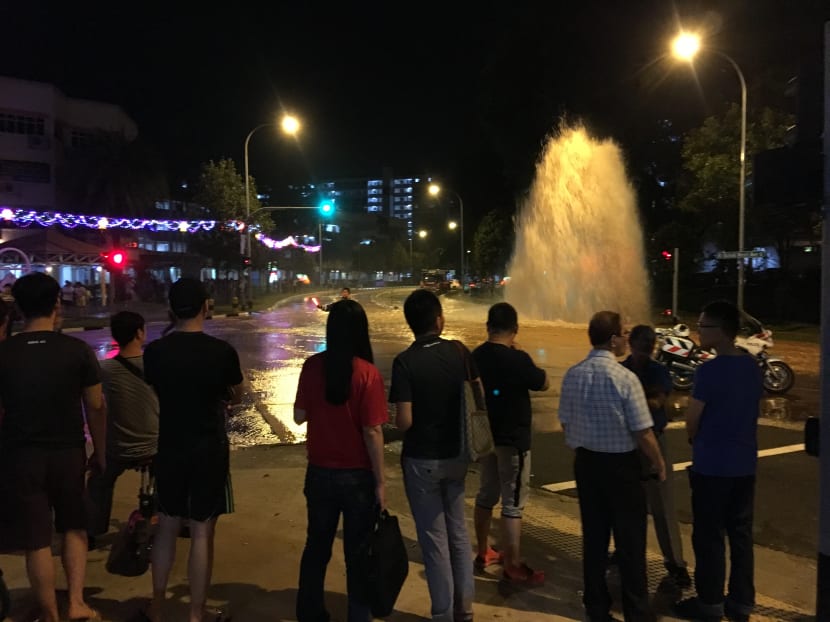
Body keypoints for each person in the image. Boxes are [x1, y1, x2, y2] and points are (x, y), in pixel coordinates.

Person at [0, 272, 106, 622]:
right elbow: (96, 406)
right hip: (68, 452)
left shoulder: (4, 353)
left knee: (36, 538)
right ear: (57, 304)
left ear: (18, 309)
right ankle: (75, 603)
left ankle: (49, 614)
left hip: (20, 455)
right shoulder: (76, 350)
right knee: (74, 526)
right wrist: (101, 451)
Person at [143, 278, 244, 622]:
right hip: (208, 449)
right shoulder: (222, 352)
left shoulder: (155, 352)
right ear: (205, 306)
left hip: (170, 445)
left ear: (171, 310)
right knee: (202, 531)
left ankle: (157, 607)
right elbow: (237, 394)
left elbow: (157, 392)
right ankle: (196, 614)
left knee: (167, 525)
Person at [558, 310, 665, 622]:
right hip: (622, 468)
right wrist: (658, 462)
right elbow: (642, 431)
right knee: (630, 541)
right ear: (613, 339)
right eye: (624, 333)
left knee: (594, 539)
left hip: (586, 464)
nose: (627, 339)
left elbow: (565, 422)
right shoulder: (625, 378)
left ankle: (596, 606)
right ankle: (636, 611)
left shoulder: (573, 374)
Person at [294, 299, 388, 622]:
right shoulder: (367, 373)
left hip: (319, 473)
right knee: (357, 553)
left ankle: (309, 612)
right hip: (358, 478)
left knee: (316, 547)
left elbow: (298, 416)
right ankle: (358, 616)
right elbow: (373, 431)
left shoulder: (312, 367)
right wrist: (381, 482)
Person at [673, 301, 763, 622]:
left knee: (709, 536)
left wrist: (695, 438)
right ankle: (741, 603)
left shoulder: (709, 371)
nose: (699, 331)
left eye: (704, 326)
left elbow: (692, 419)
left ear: (722, 331)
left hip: (712, 465)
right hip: (744, 465)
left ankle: (710, 602)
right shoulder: (752, 367)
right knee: (740, 536)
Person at [389, 289, 474, 622]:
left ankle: (443, 614)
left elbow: (405, 421)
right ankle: (464, 609)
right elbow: (478, 396)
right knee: (458, 533)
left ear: (410, 323)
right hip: (457, 456)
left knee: (435, 540)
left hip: (422, 460)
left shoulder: (405, 362)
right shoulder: (460, 352)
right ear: (439, 320)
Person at [472, 302, 549, 586]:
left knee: (486, 493)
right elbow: (544, 383)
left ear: (488, 327)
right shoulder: (518, 359)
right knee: (513, 502)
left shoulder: (475, 357)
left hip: (485, 437)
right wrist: (522, 356)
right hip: (513, 439)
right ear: (515, 329)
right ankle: (513, 565)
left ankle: (483, 552)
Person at [613, 325, 691, 587]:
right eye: (644, 344)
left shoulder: (655, 371)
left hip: (650, 439)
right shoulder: (626, 369)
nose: (647, 349)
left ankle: (675, 563)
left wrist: (630, 398)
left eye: (650, 344)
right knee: (628, 504)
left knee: (662, 506)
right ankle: (625, 552)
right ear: (633, 344)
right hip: (629, 442)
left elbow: (658, 402)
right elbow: (653, 400)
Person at [86, 311, 159, 544]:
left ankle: (92, 531)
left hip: (118, 449)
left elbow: (95, 405)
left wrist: (98, 452)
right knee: (170, 474)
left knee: (99, 480)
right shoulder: (156, 365)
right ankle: (169, 519)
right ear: (140, 333)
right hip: (155, 446)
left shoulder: (104, 369)